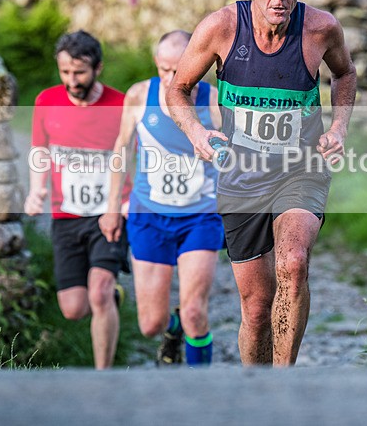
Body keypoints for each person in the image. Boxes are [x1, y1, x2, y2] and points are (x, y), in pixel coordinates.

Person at [167, 0, 357, 366]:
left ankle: (282, 385)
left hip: (300, 170)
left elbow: (344, 73)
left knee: (293, 261)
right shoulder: (220, 28)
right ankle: (255, 391)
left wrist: (339, 126)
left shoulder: (321, 29)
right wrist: (196, 132)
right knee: (256, 308)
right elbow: (177, 89)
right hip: (242, 177)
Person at [99, 30, 223, 367]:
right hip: (149, 215)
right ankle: (172, 328)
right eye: (164, 70)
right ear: (156, 64)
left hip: (201, 216)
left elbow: (236, 159)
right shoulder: (140, 96)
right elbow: (121, 151)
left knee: (196, 311)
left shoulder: (214, 101)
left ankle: (201, 393)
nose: (171, 79)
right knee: (149, 324)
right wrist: (112, 208)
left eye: (180, 69)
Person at [25, 30, 130, 370]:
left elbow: (135, 158)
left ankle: (104, 376)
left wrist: (123, 205)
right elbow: (40, 150)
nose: (72, 80)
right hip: (66, 215)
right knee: (73, 308)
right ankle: (113, 297)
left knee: (97, 292)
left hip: (108, 214)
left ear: (98, 68)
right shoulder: (46, 101)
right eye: (65, 72)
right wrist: (36, 188)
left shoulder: (120, 104)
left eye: (79, 72)